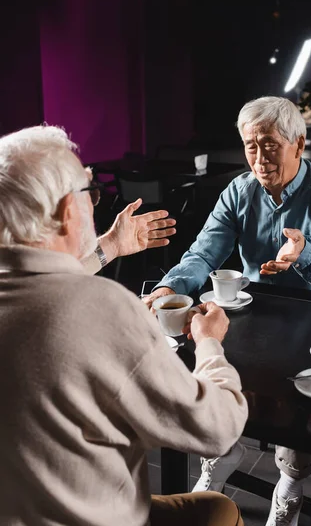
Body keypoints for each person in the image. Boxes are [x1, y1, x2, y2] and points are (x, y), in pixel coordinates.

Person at [0, 125, 248, 526]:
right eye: (89, 191)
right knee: (220, 510)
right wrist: (209, 344)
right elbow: (218, 429)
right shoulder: (103, 305)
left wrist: (109, 247)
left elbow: (37, 284)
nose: (94, 202)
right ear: (67, 213)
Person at [144, 96, 311, 526]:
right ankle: (222, 448)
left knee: (296, 404)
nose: (259, 158)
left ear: (298, 143)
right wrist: (169, 286)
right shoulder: (238, 191)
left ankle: (291, 482)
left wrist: (304, 255)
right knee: (202, 367)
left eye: (269, 145)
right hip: (248, 318)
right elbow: (203, 254)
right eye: (250, 146)